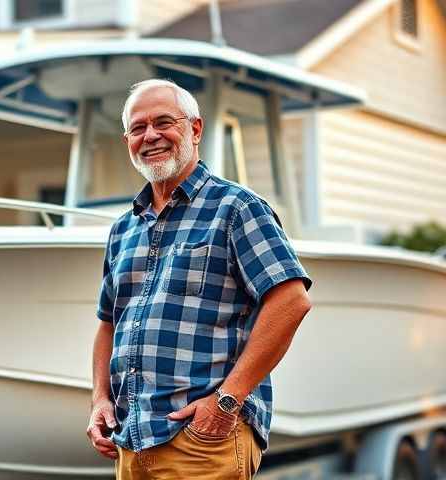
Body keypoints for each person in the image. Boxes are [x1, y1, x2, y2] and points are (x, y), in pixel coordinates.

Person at [87, 79, 312, 480]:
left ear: (194, 129)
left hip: (203, 442)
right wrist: (100, 399)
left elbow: (291, 301)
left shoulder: (237, 208)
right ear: (127, 141)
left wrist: (226, 401)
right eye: (138, 128)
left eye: (163, 122)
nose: (151, 135)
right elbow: (109, 322)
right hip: (132, 442)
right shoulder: (124, 228)